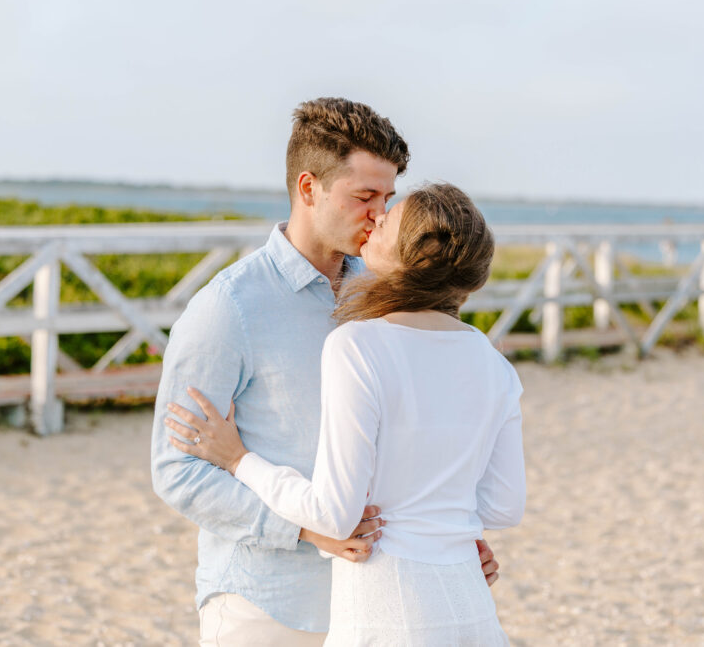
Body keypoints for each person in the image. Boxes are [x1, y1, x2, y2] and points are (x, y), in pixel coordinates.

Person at [150, 98, 500, 646]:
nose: (380, 216)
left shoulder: (391, 295)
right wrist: (307, 531)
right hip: (267, 605)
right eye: (365, 197)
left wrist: (448, 531)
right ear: (309, 188)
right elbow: (177, 470)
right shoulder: (229, 308)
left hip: (377, 603)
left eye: (387, 198)